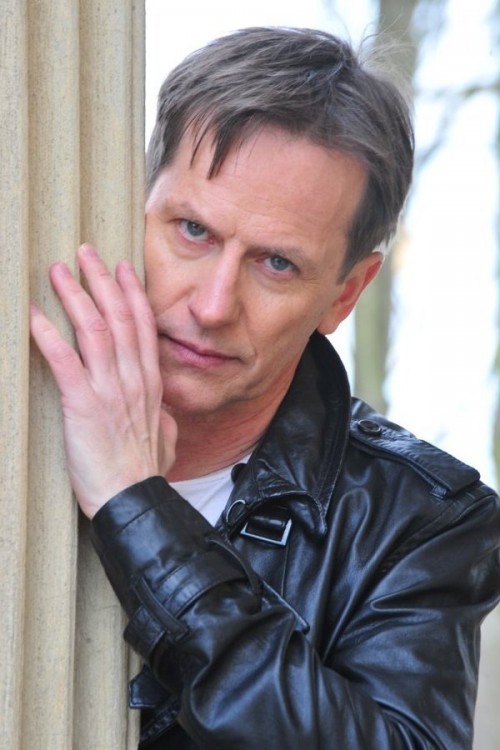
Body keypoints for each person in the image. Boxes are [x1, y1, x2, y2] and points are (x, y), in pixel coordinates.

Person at [30, 27, 500, 750]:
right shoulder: (20, 409)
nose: (214, 305)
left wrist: (139, 509)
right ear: (132, 206)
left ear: (345, 293)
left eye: (277, 263)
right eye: (192, 230)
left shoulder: (422, 522)